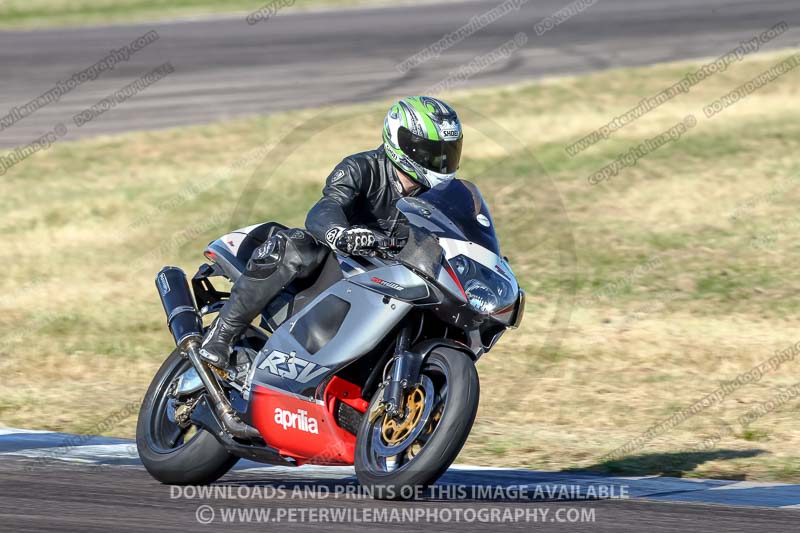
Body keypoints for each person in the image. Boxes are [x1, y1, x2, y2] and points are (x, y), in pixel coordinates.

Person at [199, 96, 464, 369]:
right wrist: (341, 234)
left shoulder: (439, 199)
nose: (441, 160)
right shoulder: (361, 168)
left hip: (397, 283)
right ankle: (221, 335)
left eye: (448, 151)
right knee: (295, 245)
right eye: (433, 151)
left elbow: (457, 236)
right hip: (341, 269)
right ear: (403, 143)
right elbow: (327, 206)